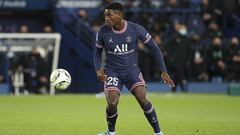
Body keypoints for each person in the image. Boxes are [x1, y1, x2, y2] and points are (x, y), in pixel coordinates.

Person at [94, 2, 175, 135]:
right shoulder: (103, 31)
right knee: (112, 102)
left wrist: (164, 71)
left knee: (143, 99)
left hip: (132, 71)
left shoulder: (136, 29)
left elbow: (155, 49)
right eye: (105, 15)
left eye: (110, 15)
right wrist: (98, 69)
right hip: (113, 72)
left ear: (119, 15)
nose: (106, 18)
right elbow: (97, 53)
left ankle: (158, 132)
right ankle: (111, 132)